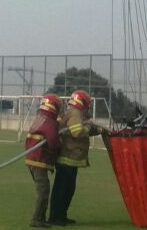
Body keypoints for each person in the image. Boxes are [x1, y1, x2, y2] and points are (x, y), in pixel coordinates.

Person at [49, 89, 103, 227]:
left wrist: (98, 129)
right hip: (68, 158)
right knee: (64, 190)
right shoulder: (75, 114)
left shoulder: (73, 113)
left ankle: (60, 215)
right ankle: (57, 217)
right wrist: (89, 127)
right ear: (83, 103)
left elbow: (81, 128)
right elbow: (77, 132)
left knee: (64, 189)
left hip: (68, 159)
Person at [24, 94, 62, 228]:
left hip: (32, 159)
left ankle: (41, 218)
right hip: (39, 160)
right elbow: (53, 142)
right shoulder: (50, 122)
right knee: (43, 191)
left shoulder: (40, 118)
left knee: (43, 190)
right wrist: (60, 144)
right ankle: (36, 220)